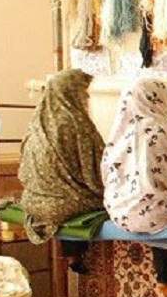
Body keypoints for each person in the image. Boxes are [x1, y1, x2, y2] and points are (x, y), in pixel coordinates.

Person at [101, 79, 167, 297]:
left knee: (157, 205)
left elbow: (106, 173)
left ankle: (163, 280)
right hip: (155, 213)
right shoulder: (163, 130)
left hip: (120, 213)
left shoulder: (120, 131)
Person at [18, 69, 104, 271]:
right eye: (83, 93)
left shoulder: (36, 125)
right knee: (102, 202)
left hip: (32, 202)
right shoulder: (77, 124)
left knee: (68, 189)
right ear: (70, 93)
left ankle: (73, 255)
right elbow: (96, 173)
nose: (87, 97)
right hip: (62, 204)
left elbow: (23, 170)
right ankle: (75, 254)